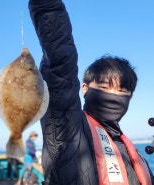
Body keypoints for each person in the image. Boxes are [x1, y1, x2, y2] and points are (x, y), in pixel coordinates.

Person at [28, 0, 154, 184]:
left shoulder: (128, 149)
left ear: (130, 96)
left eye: (121, 90)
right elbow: (60, 66)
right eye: (104, 87)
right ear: (84, 88)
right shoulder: (67, 130)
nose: (113, 95)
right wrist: (47, 6)